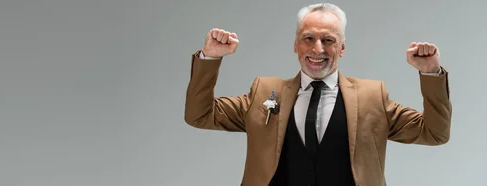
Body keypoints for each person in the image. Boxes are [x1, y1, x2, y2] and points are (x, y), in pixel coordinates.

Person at [183, 3, 451, 186]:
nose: (318, 49)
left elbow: (434, 133)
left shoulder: (372, 97)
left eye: (329, 40)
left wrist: (430, 73)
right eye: (308, 38)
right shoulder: (264, 92)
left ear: (342, 47)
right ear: (296, 45)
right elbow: (200, 115)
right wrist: (211, 58)